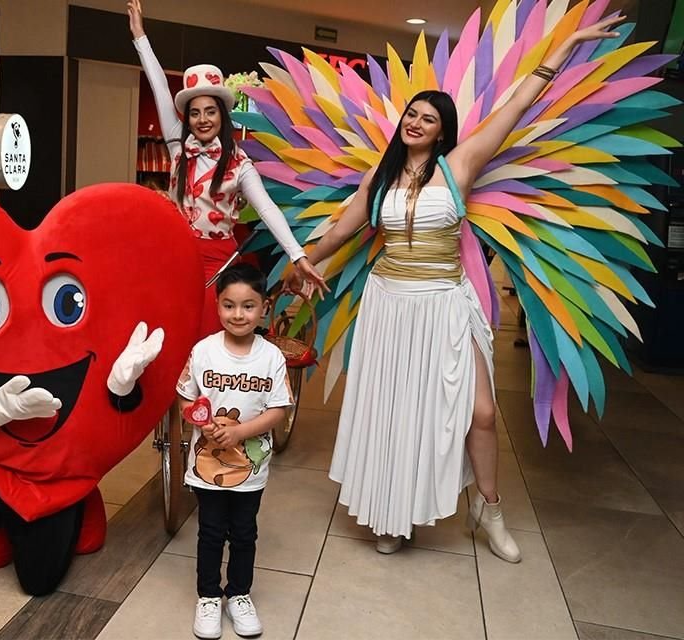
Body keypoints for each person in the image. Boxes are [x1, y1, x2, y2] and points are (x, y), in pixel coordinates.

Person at [285, 16, 625, 562]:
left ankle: (489, 509)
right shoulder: (381, 174)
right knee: (394, 411)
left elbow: (515, 107)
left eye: (428, 118)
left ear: (443, 131)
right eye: (411, 115)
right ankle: (393, 516)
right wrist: (300, 261)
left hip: (446, 302)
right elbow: (345, 227)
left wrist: (563, 49)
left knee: (483, 414)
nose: (416, 122)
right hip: (389, 304)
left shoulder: (459, 165)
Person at [127, 0, 325, 336]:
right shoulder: (178, 145)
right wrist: (140, 36)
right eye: (195, 112)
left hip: (217, 262)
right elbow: (160, 86)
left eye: (210, 111)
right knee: (167, 333)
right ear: (186, 117)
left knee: (203, 336)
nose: (202, 119)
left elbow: (267, 209)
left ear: (222, 115)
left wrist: (299, 256)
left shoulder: (239, 165)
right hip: (174, 252)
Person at [176, 263, 291, 639]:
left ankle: (238, 594)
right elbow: (185, 399)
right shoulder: (203, 352)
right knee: (210, 531)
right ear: (217, 305)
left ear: (264, 308)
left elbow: (277, 410)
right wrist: (201, 422)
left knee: (244, 533)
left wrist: (240, 431)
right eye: (229, 305)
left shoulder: (271, 357)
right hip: (206, 466)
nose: (238, 315)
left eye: (247, 306)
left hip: (250, 472)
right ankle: (208, 596)